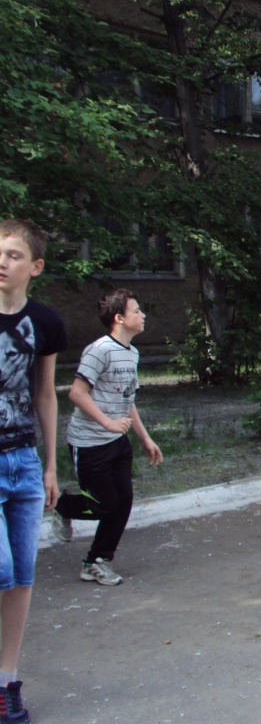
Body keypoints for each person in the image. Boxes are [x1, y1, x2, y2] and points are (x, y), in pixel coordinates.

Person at [0, 219, 68, 721]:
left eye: (14, 255)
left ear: (35, 267)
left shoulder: (44, 322)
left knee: (22, 576)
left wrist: (50, 466)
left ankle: (7, 682)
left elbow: (46, 395)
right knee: (2, 569)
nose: (2, 262)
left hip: (24, 462)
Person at [50, 289, 163, 587]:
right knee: (104, 504)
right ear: (119, 318)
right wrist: (108, 423)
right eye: (136, 311)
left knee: (123, 501)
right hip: (89, 443)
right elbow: (76, 393)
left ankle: (97, 562)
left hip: (117, 443)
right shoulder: (98, 350)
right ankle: (62, 505)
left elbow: (128, 401)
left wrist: (145, 439)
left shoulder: (131, 353)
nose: (143, 315)